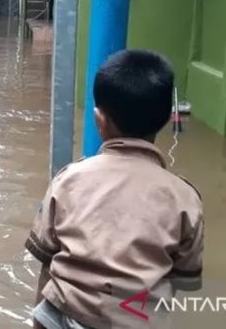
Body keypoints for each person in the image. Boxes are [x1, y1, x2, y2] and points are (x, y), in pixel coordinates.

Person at [26, 50, 204, 329]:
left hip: (63, 318)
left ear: (99, 120)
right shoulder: (185, 199)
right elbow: (183, 279)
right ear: (168, 119)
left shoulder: (69, 180)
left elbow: (46, 263)